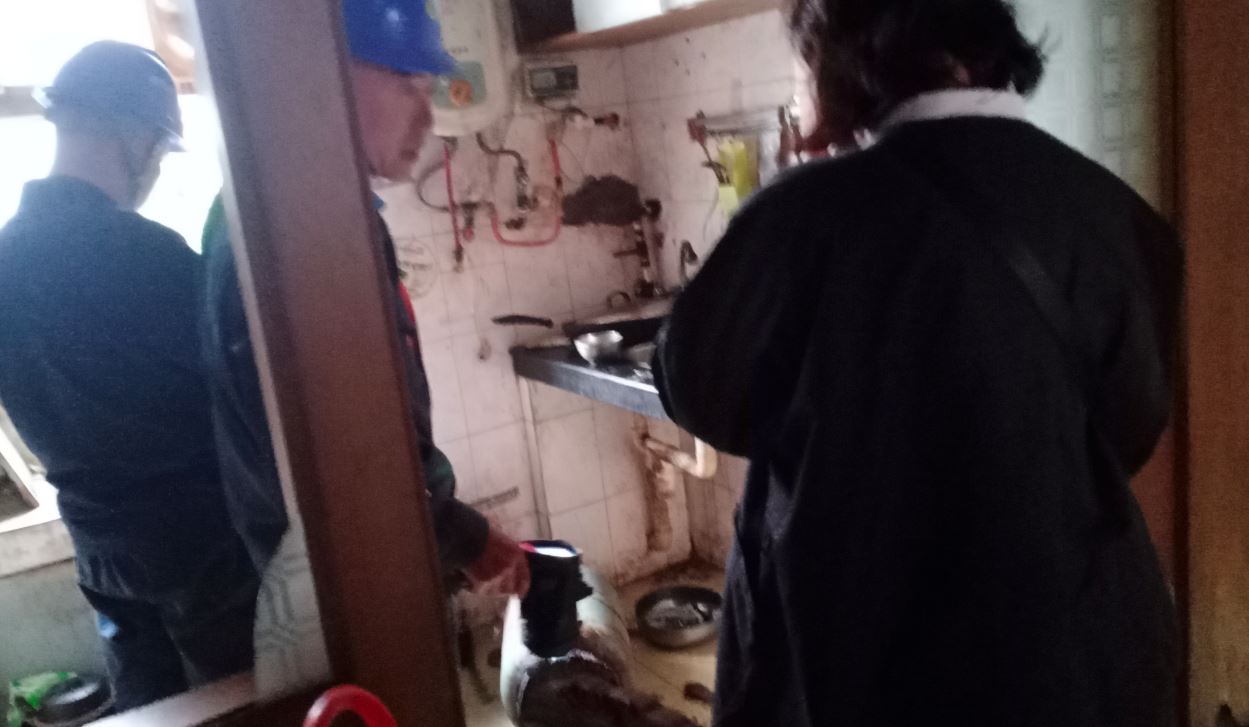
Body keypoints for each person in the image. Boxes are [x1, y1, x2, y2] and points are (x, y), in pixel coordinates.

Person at [655, 1, 1182, 726]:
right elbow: (1134, 424)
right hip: (1070, 654)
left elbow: (696, 387)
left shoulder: (803, 215)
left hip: (858, 657)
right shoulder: (1117, 213)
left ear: (840, 60)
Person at [202, 0, 530, 595]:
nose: (428, 119)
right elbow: (355, 445)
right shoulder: (307, 224)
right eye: (409, 86)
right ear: (325, 72)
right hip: (339, 579)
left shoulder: (255, 201)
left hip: (313, 564)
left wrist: (449, 537)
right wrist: (459, 536)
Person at [0, 42, 258, 712]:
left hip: (99, 551)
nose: (155, 169)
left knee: (149, 710)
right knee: (244, 708)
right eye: (160, 150)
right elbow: (245, 390)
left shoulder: (5, 261)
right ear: (135, 136)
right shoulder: (147, 257)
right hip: (200, 548)